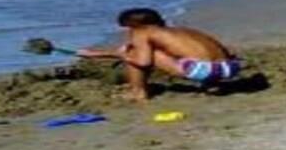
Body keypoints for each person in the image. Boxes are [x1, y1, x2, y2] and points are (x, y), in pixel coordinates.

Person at [76, 8, 243, 102]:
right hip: (230, 68)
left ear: (133, 26)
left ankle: (138, 92)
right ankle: (211, 85)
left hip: (206, 70)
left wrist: (101, 54)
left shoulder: (142, 32)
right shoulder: (180, 30)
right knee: (192, 54)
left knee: (133, 53)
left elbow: (143, 61)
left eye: (127, 28)